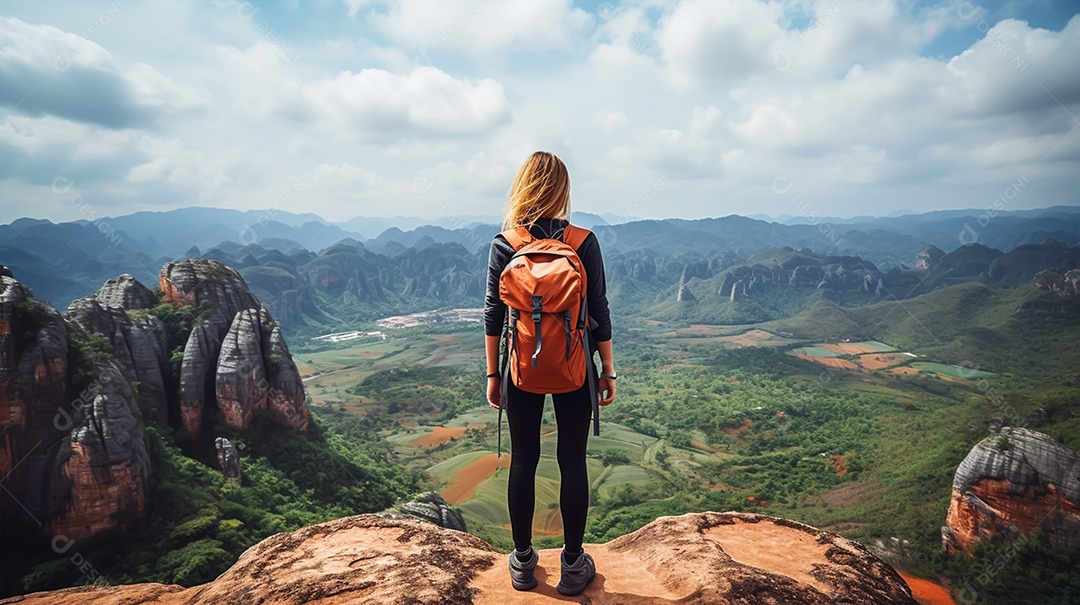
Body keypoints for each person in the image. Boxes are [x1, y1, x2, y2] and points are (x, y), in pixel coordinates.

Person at [483, 151, 616, 596]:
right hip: (575, 368)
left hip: (520, 369)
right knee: (571, 460)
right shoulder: (583, 240)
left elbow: (491, 317)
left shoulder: (506, 243)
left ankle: (522, 562)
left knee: (524, 459)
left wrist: (492, 376)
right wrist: (608, 371)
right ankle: (574, 563)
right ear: (562, 190)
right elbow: (598, 310)